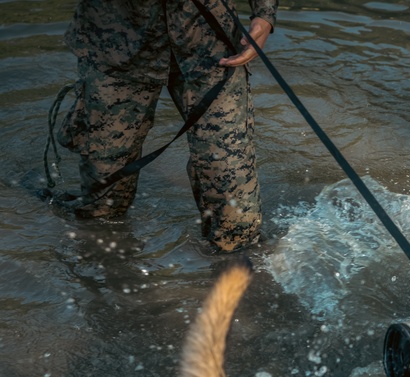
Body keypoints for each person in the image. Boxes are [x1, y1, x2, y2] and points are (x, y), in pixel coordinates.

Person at [56, 0, 276, 252]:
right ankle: (106, 281)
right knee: (102, 213)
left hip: (211, 44)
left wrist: (265, 14)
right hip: (115, 42)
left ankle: (239, 276)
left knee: (237, 222)